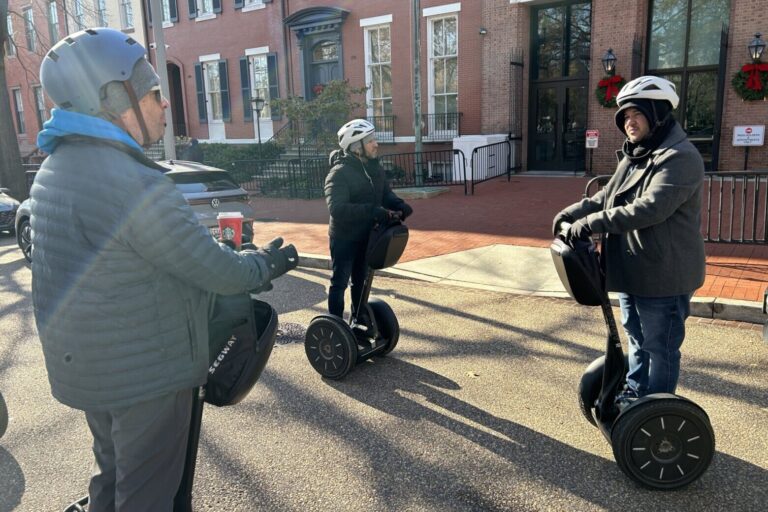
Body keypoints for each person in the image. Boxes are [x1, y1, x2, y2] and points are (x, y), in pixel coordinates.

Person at [31, 28, 298, 511]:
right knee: (149, 494)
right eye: (154, 92)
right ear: (114, 97)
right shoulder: (131, 181)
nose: (165, 104)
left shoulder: (57, 166)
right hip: (147, 375)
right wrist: (266, 263)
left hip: (93, 370)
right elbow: (215, 270)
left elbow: (125, 259)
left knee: (111, 477)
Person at [552, 76, 705, 403]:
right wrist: (572, 213)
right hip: (634, 269)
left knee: (660, 347)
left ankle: (658, 409)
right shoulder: (637, 155)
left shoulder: (679, 157)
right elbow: (608, 195)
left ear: (659, 113)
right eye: (625, 116)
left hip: (664, 273)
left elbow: (650, 209)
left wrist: (589, 224)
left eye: (637, 114)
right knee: (636, 338)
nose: (629, 122)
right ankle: (635, 393)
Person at [324, 119, 413, 322]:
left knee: (360, 281)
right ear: (357, 147)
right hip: (344, 238)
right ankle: (335, 327)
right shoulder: (338, 174)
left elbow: (386, 195)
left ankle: (358, 320)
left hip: (367, 236)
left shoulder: (375, 169)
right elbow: (337, 209)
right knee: (339, 283)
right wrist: (373, 212)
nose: (376, 144)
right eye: (371, 140)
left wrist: (400, 205)